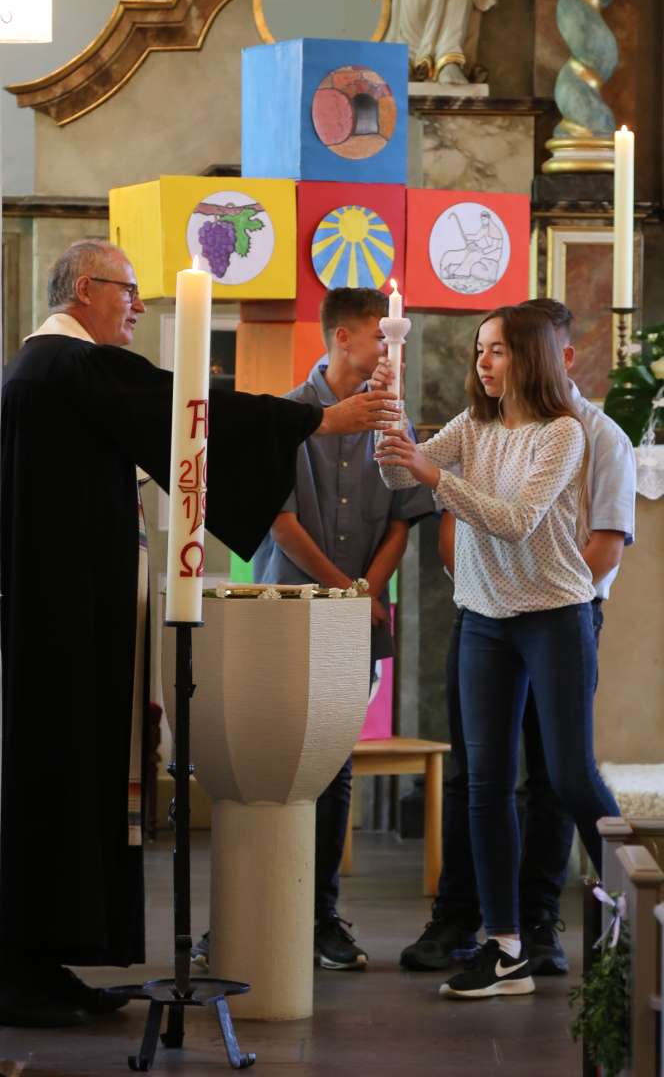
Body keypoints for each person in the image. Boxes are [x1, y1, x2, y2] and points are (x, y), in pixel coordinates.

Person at [0, 241, 398, 1028]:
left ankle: (39, 964)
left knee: (58, 784)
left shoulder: (44, 371)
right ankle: (25, 973)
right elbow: (189, 409)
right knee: (59, 780)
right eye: (129, 292)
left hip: (59, 620)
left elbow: (173, 415)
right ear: (86, 290)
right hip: (66, 626)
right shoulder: (65, 365)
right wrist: (319, 420)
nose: (138, 307)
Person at [376, 303, 621, 999]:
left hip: (554, 615)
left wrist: (429, 472)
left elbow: (515, 523)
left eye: (499, 352)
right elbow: (401, 479)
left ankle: (641, 912)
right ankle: (505, 945)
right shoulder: (474, 426)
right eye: (480, 351)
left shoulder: (562, 434)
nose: (483, 363)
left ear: (533, 358)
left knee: (571, 776)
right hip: (483, 617)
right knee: (485, 786)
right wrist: (389, 435)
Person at [190, 288, 433, 974]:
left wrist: (368, 591)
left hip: (354, 616)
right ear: (344, 338)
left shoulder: (394, 420)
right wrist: (344, 588)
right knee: (269, 762)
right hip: (287, 615)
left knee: (334, 763)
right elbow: (283, 523)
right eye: (381, 338)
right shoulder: (286, 416)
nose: (391, 351)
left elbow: (400, 521)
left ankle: (321, 915)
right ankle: (244, 912)